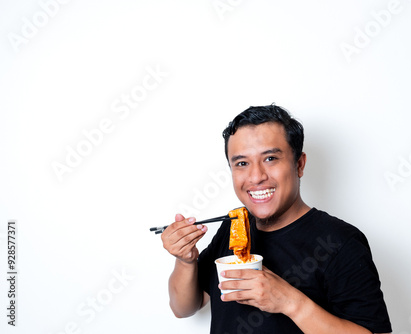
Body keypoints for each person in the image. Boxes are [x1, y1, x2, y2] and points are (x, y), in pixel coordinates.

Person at [162, 105, 392, 334]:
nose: (256, 176)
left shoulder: (341, 242)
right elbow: (184, 308)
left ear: (299, 164)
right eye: (242, 163)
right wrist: (185, 260)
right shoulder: (233, 227)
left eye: (270, 158)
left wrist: (291, 303)